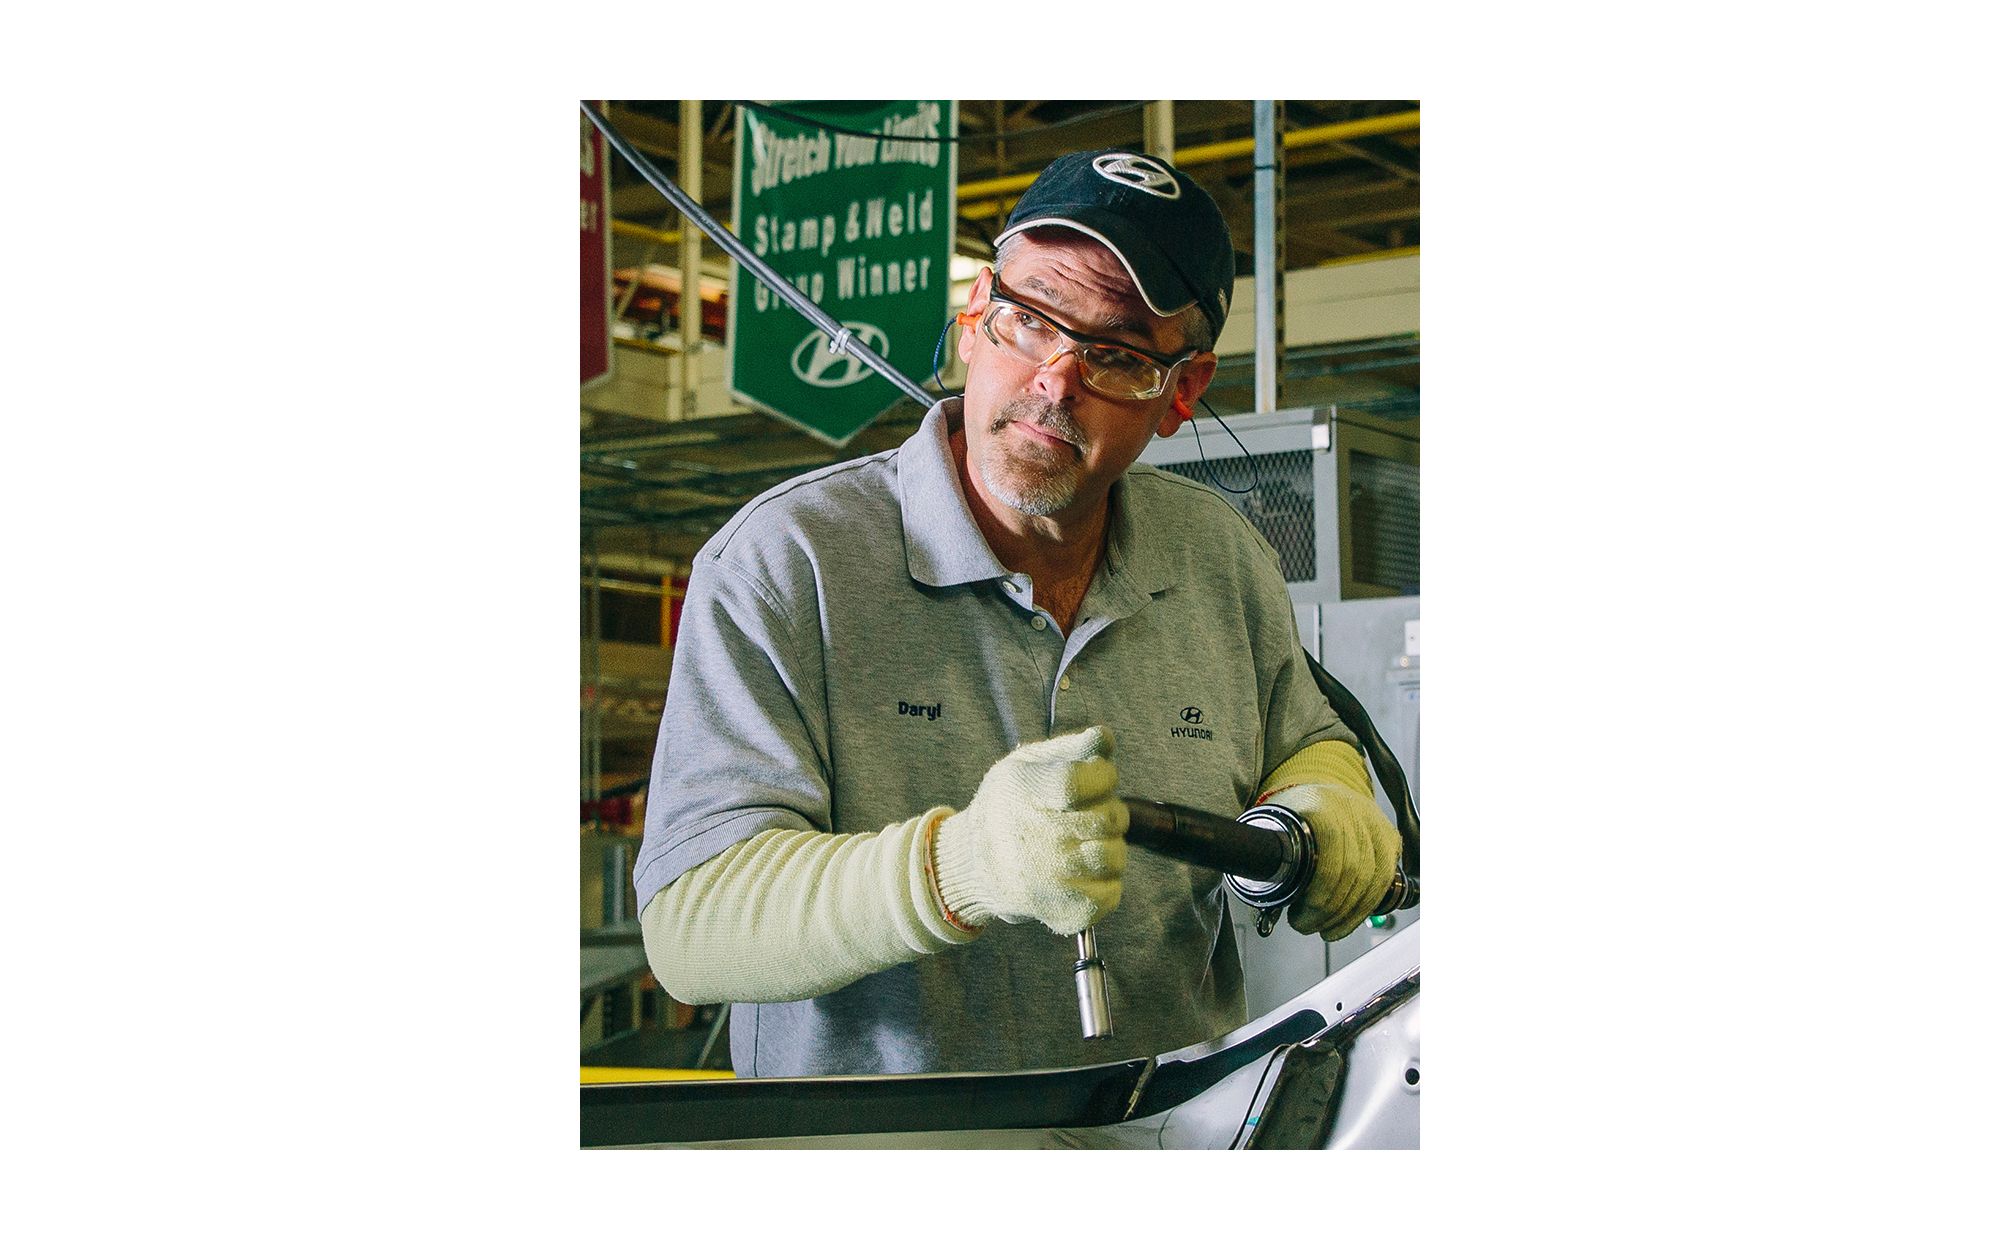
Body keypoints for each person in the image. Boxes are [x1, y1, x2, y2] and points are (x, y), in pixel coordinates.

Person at [633, 149, 1401, 1078]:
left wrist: (1326, 795)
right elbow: (690, 923)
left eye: (1114, 354)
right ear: (971, 323)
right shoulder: (788, 564)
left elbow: (1303, 736)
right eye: (1030, 320)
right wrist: (961, 869)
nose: (1054, 379)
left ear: (1182, 393)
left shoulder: (1218, 560)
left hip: (1168, 1143)